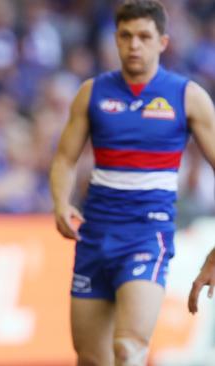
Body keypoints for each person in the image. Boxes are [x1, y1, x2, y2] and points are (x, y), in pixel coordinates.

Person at [49, 1, 215, 365]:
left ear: (163, 42)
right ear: (115, 40)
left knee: (128, 349)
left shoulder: (187, 97)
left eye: (143, 36)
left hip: (147, 237)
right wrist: (61, 203)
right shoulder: (92, 93)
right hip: (94, 236)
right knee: (92, 358)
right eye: (126, 36)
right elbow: (64, 158)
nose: (134, 45)